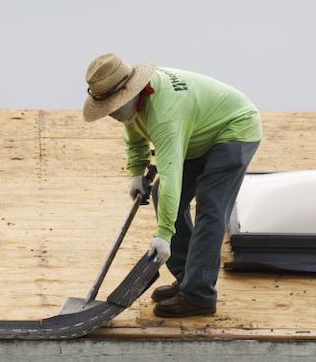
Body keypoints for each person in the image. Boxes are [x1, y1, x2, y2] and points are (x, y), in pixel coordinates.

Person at [82, 53, 262, 318]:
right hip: (198, 133)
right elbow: (134, 133)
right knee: (160, 194)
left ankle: (198, 295)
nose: (114, 114)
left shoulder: (165, 114)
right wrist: (136, 170)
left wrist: (164, 235)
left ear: (132, 92)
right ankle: (188, 277)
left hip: (234, 129)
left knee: (210, 209)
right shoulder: (134, 103)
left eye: (116, 107)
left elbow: (170, 176)